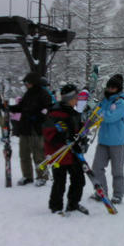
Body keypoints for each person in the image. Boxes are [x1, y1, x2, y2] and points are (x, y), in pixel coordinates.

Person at [43, 84, 88, 215]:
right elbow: (48, 133)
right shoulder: (54, 112)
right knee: (59, 181)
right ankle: (56, 207)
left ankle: (73, 204)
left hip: (73, 152)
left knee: (79, 179)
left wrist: (82, 137)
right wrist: (63, 136)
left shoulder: (73, 112)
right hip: (59, 153)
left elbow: (78, 129)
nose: (78, 100)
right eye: (76, 98)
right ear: (69, 98)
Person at [9, 72, 52, 186]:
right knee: (24, 153)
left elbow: (47, 110)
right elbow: (21, 107)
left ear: (33, 82)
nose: (26, 85)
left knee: (38, 154)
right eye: (25, 83)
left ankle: (42, 176)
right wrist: (10, 108)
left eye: (27, 83)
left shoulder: (43, 94)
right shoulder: (28, 93)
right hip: (25, 128)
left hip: (36, 129)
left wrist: (37, 116)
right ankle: (27, 176)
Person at [91, 74, 124, 204]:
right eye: (109, 87)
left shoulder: (121, 102)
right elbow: (95, 112)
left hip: (117, 141)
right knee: (96, 168)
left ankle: (118, 194)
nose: (110, 89)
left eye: (113, 87)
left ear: (118, 88)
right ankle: (101, 191)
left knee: (117, 170)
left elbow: (111, 117)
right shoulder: (104, 100)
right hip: (103, 141)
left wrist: (100, 113)